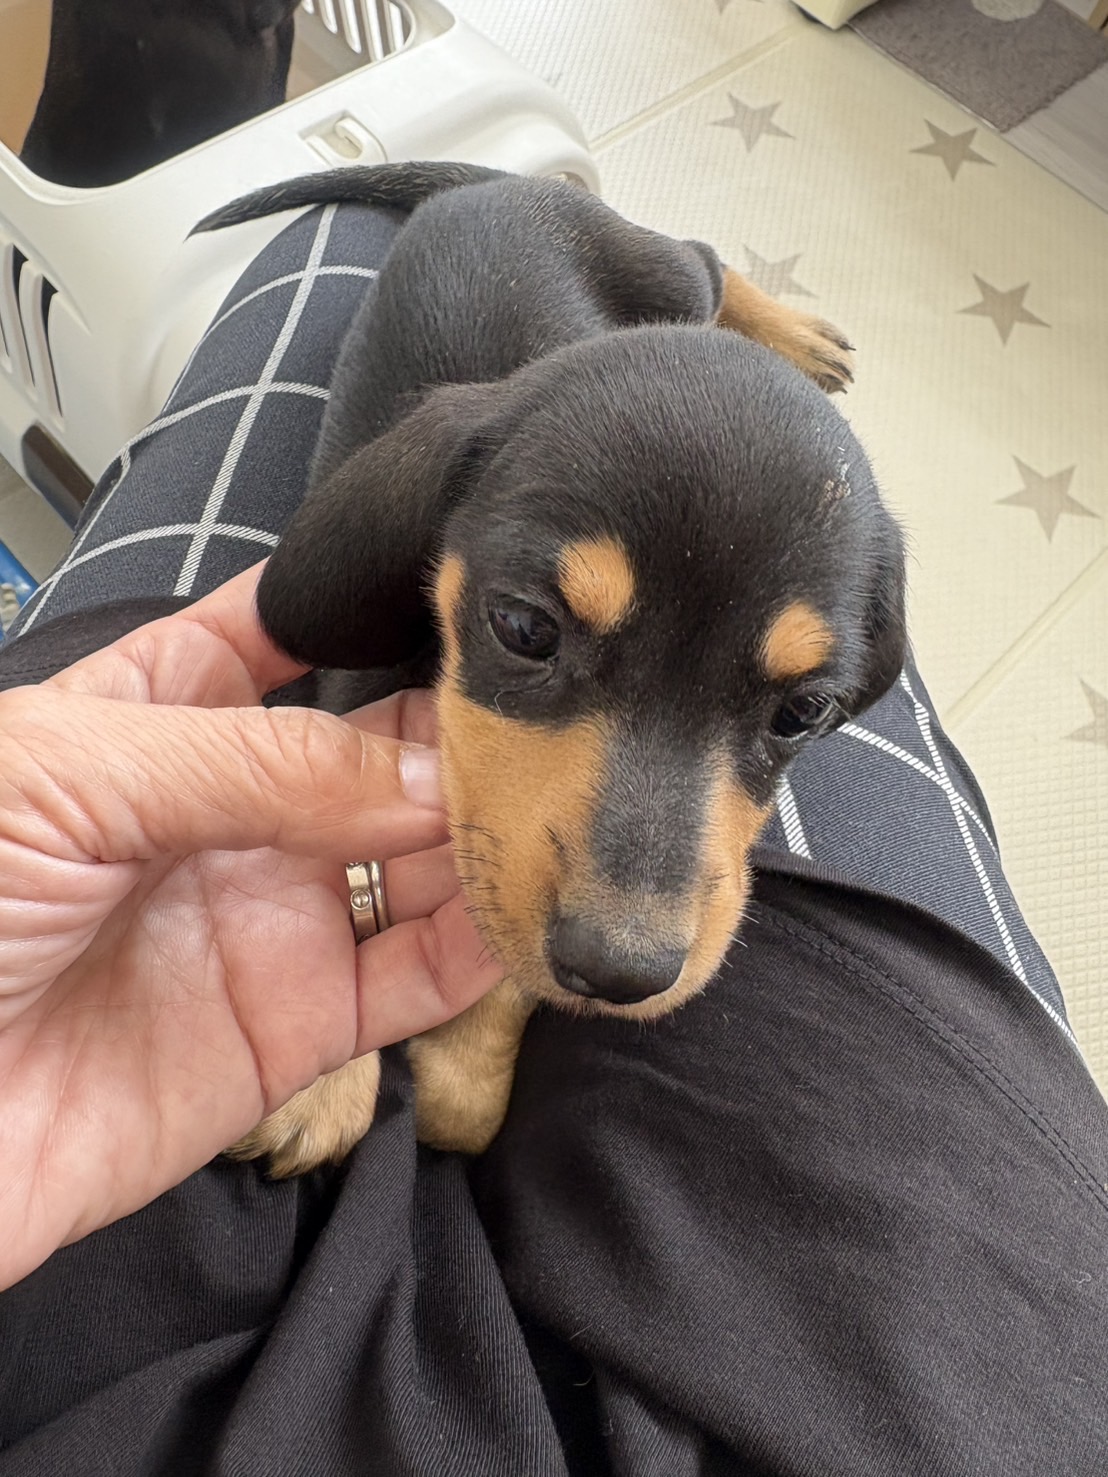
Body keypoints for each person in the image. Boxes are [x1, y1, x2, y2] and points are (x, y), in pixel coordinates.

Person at [0, 200, 1104, 1475]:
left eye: (791, 710)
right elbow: (305, 645)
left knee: (660, 287)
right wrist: (343, 1021)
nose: (635, 925)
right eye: (533, 633)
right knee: (412, 248)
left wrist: (484, 1022)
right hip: (508, 241)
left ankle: (719, 293)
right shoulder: (431, 513)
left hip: (601, 291)